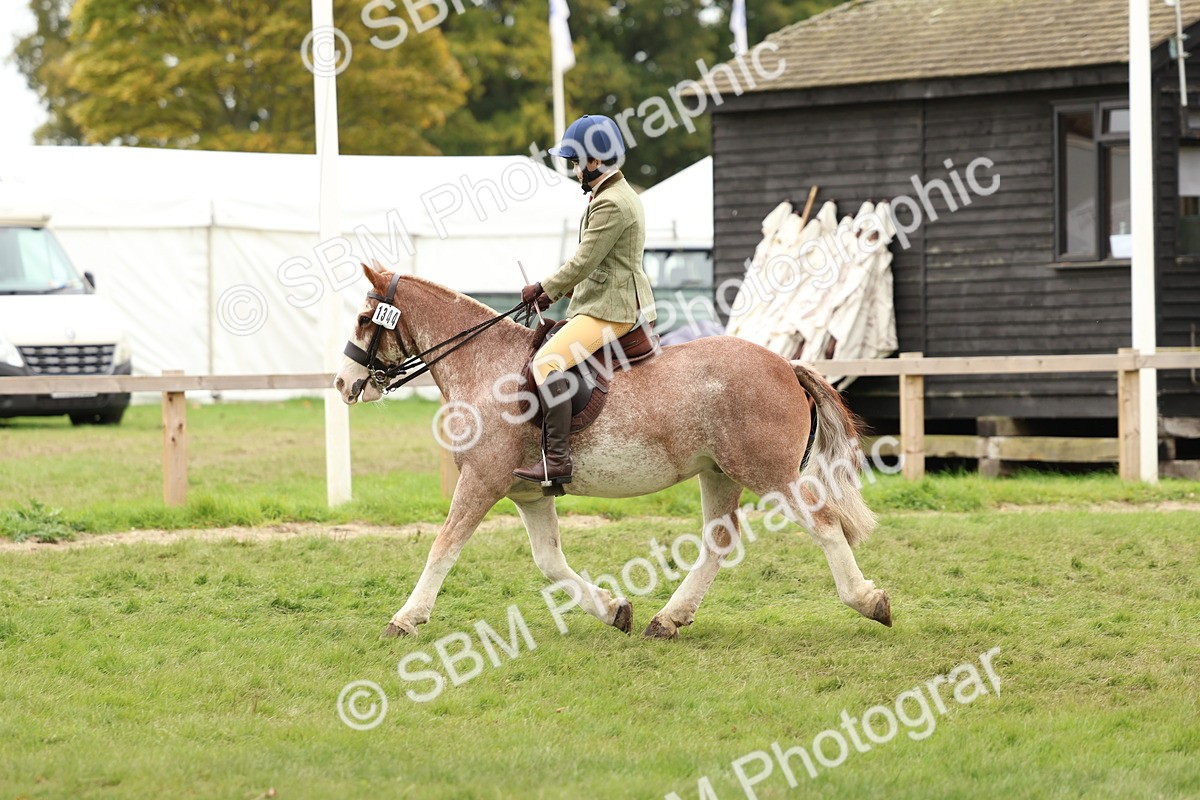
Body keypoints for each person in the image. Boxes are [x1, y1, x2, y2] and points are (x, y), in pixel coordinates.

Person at [513, 114, 657, 488]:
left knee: (547, 362)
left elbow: (584, 260)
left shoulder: (612, 203)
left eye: (577, 162)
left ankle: (557, 461)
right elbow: (594, 265)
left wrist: (543, 286)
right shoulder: (611, 195)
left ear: (595, 161)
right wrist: (550, 296)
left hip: (613, 309)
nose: (576, 170)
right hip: (605, 301)